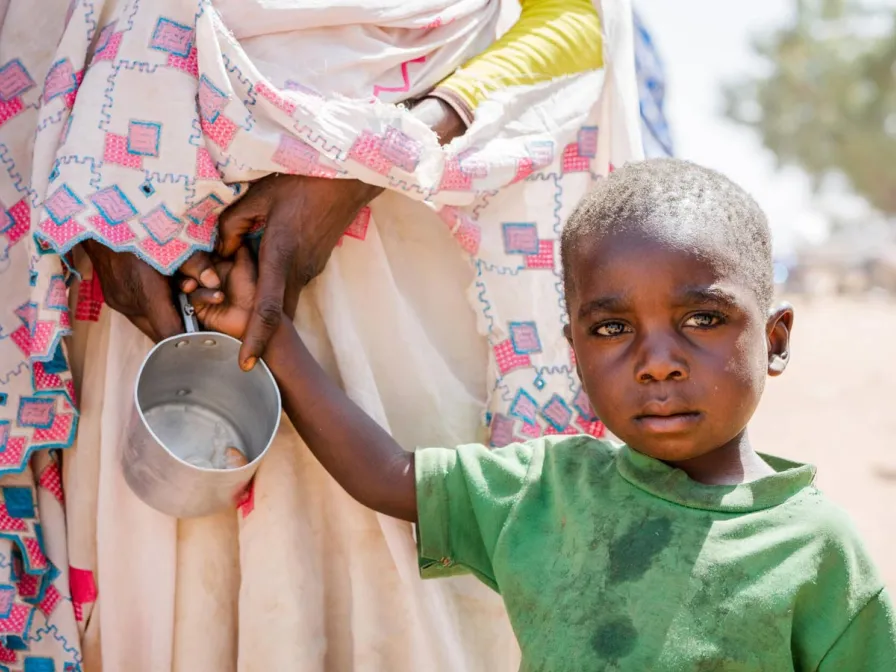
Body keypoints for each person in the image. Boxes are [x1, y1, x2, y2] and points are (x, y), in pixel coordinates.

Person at [0, 0, 647, 669]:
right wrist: (94, 189)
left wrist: (374, 160)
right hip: (140, 247)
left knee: (405, 604)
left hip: (413, 235)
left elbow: (573, 17)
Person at [194, 159, 896, 670]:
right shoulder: (547, 491)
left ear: (773, 340)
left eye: (703, 318)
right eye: (613, 329)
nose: (657, 362)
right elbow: (387, 475)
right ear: (576, 353)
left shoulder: (816, 549)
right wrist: (272, 332)